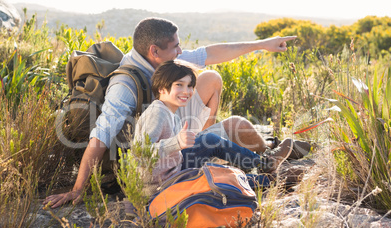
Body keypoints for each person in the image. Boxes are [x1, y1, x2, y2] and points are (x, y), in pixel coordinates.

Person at [44, 17, 298, 208]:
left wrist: (263, 44)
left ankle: (267, 160)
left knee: (212, 83)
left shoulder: (162, 65)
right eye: (175, 47)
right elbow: (101, 137)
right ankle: (273, 179)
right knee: (221, 156)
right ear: (154, 51)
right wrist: (77, 189)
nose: (180, 52)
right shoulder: (125, 86)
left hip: (171, 145)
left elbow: (210, 53)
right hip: (152, 170)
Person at [134, 60, 294, 195]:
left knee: (209, 140)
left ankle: (263, 164)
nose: (187, 91)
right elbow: (141, 152)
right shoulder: (157, 113)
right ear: (161, 89)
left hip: (173, 169)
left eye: (190, 86)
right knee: (215, 176)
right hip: (161, 186)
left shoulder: (171, 111)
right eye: (179, 85)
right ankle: (274, 180)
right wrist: (176, 143)